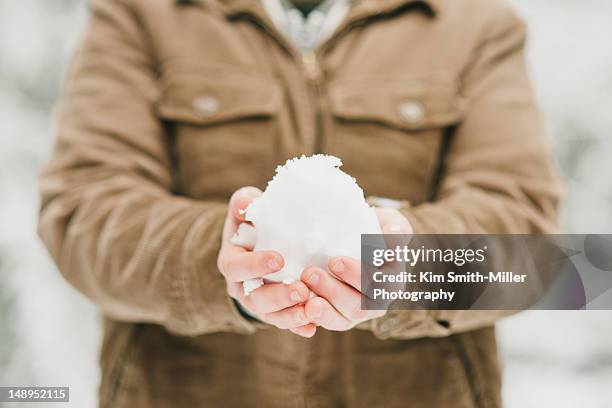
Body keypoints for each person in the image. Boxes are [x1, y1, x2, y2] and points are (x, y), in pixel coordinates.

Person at [37, 0, 563, 406]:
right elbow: (81, 213)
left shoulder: (474, 22)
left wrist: (404, 266)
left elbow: (535, 253)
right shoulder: (141, 14)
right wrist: (218, 260)